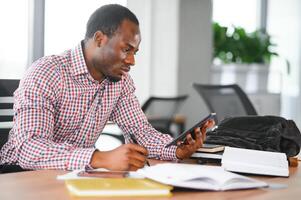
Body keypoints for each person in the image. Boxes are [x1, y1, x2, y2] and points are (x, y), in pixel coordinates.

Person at [0, 4, 213, 171]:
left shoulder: (119, 81)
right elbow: (29, 149)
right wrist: (99, 158)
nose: (131, 61)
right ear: (100, 39)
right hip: (19, 174)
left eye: (134, 53)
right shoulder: (46, 73)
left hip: (75, 176)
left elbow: (141, 133)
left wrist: (177, 150)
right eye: (126, 49)